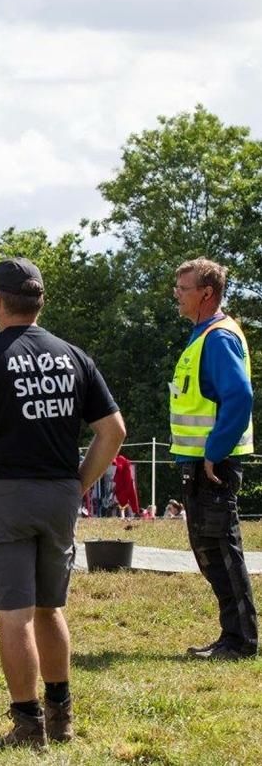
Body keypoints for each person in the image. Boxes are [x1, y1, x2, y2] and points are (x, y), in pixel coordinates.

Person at [0, 257, 126, 748]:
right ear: (40, 302)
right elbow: (114, 432)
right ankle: (60, 718)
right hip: (59, 498)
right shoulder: (73, 356)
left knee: (14, 612)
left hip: (5, 496)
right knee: (50, 608)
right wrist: (80, 485)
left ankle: (27, 728)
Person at [170, 257, 256, 661]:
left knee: (222, 549)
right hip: (201, 463)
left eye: (182, 288)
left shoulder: (218, 337)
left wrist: (215, 452)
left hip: (214, 465)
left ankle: (240, 642)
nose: (176, 293)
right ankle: (232, 636)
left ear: (206, 294)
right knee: (209, 549)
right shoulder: (202, 334)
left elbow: (239, 398)